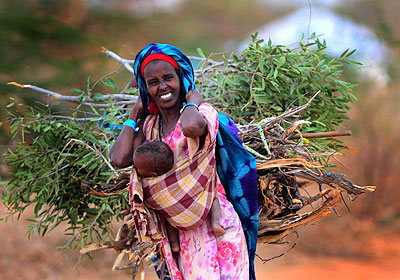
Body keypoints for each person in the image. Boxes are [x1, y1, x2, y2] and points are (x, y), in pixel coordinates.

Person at [110, 43, 249, 280]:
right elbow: (119, 158)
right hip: (182, 232)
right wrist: (134, 114)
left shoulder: (202, 112)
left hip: (218, 224)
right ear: (145, 88)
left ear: (181, 78)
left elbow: (191, 127)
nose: (162, 86)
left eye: (168, 78)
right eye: (152, 83)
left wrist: (192, 100)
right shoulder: (149, 127)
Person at [133, 140, 226, 253]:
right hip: (201, 211)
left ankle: (174, 244)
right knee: (212, 195)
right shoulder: (184, 170)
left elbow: (148, 202)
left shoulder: (149, 189)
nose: (136, 170)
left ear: (154, 175)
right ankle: (215, 222)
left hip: (179, 223)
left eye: (137, 168)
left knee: (167, 216)